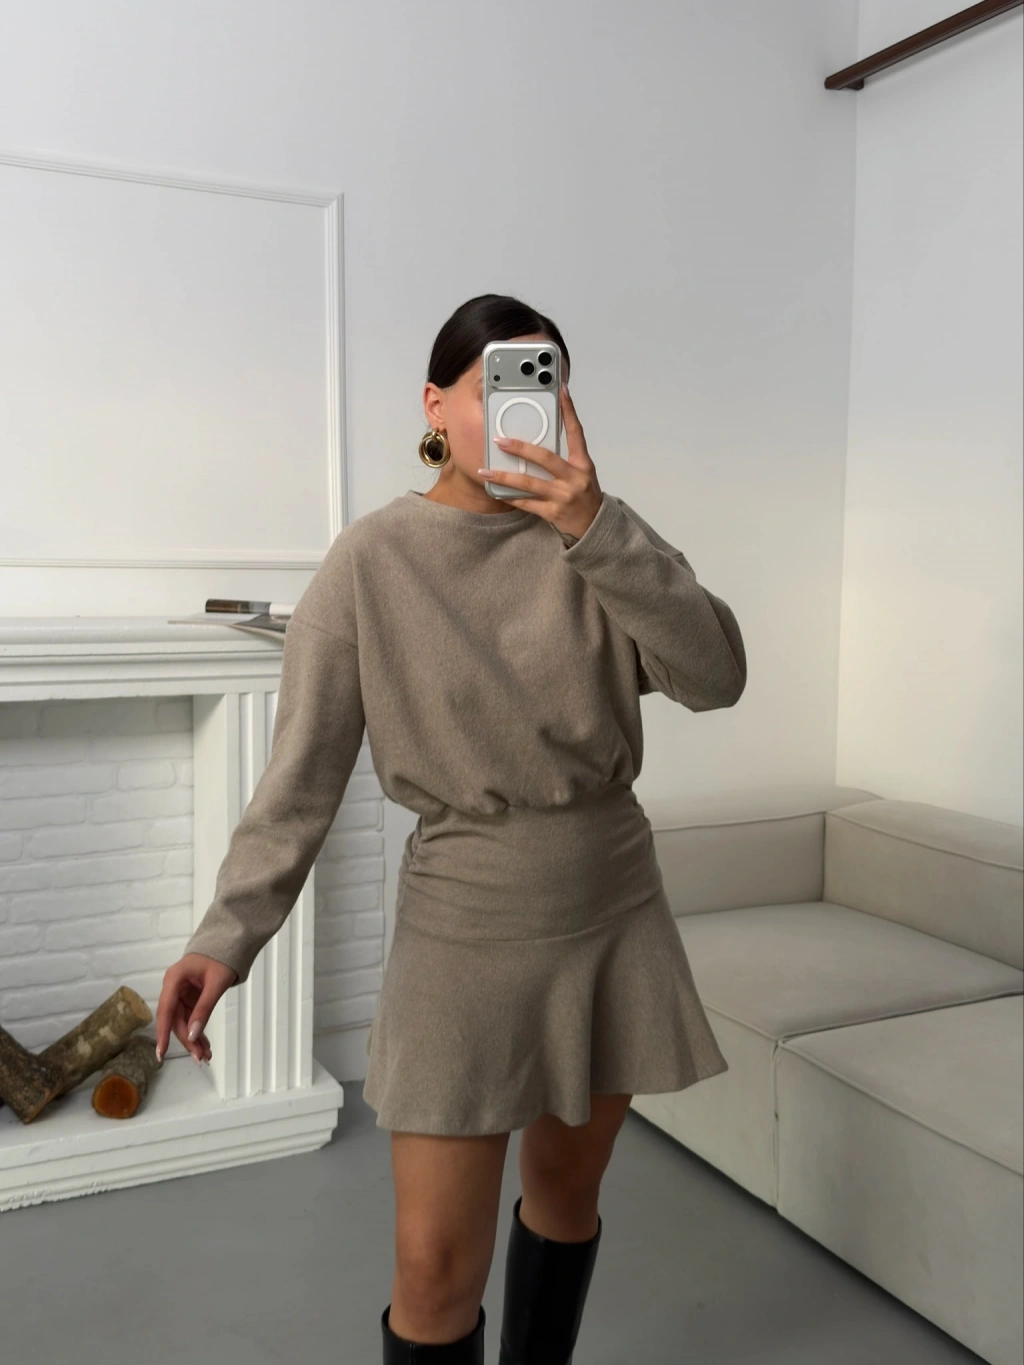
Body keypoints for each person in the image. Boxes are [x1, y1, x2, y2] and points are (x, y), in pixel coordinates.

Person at [155, 293, 747, 1363]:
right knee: (432, 1268)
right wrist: (224, 936)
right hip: (463, 928)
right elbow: (301, 776)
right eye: (497, 385)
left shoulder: (600, 537)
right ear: (435, 405)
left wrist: (593, 527)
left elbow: (716, 676)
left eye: (547, 384)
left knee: (566, 1198)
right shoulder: (371, 561)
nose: (526, 408)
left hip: (610, 907)